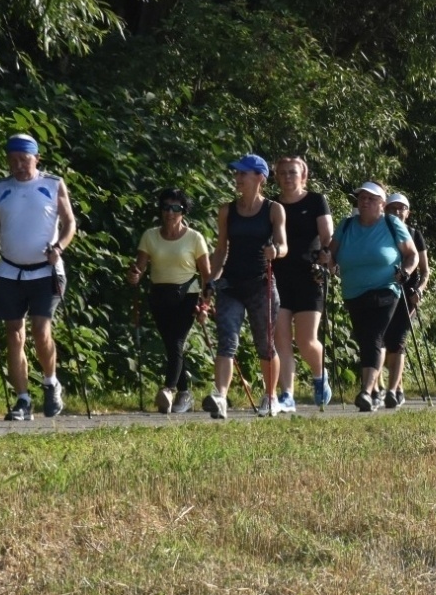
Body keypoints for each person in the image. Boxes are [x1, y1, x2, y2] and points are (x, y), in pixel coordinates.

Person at [0, 132, 78, 421]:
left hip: (45, 270)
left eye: (24, 159)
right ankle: (22, 400)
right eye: (13, 160)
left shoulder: (53, 184)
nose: (18, 165)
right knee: (13, 334)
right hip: (9, 270)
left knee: (40, 330)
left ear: (36, 158)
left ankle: (50, 381)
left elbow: (70, 222)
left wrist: (59, 247)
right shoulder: (0, 189)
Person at [203, 154, 288, 419]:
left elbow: (283, 245)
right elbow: (220, 249)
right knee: (227, 340)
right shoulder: (227, 210)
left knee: (265, 344)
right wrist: (210, 280)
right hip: (231, 284)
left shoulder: (273, 209)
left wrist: (276, 250)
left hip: (261, 284)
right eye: (237, 174)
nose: (238, 178)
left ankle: (271, 396)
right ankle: (221, 397)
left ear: (260, 178)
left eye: (243, 174)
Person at [332, 181, 419, 411]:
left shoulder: (391, 224)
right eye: (361, 198)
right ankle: (375, 391)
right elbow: (331, 253)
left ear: (382, 203)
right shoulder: (346, 225)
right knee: (365, 339)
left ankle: (366, 391)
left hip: (387, 288)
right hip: (353, 291)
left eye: (371, 199)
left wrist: (406, 272)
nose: (365, 202)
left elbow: (412, 255)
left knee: (374, 337)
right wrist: (325, 266)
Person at [127, 189, 211, 414]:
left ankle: (169, 389)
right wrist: (135, 275)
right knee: (171, 346)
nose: (170, 212)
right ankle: (185, 395)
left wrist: (205, 305)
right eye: (166, 207)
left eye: (176, 208)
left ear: (184, 212)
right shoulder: (150, 236)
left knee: (176, 343)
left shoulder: (195, 238)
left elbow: (206, 275)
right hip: (159, 296)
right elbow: (140, 267)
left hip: (187, 295)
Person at [271, 154, 335, 412]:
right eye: (283, 172)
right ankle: (287, 394)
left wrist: (328, 254)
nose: (287, 177)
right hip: (279, 276)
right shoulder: (272, 205)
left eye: (292, 172)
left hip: (310, 275)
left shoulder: (316, 201)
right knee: (282, 339)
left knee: (306, 339)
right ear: (276, 177)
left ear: (303, 176)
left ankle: (320, 376)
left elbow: (328, 236)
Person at [381, 192, 431, 407]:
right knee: (381, 339)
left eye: (401, 208)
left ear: (408, 213)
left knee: (397, 340)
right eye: (393, 208)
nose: (397, 212)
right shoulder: (379, 232)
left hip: (408, 292)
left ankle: (394, 389)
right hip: (382, 289)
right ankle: (386, 386)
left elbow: (425, 270)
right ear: (385, 210)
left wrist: (419, 290)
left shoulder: (414, 233)